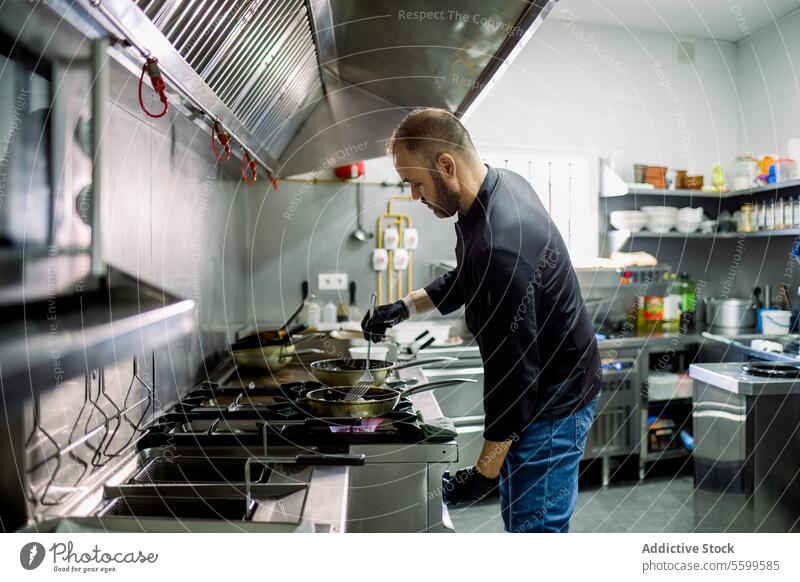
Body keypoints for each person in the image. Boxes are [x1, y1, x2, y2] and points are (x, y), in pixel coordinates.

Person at [361, 108, 601, 533]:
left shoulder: (502, 243)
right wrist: (403, 307)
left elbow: (514, 378)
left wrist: (483, 473)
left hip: (554, 399)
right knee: (521, 519)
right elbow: (469, 274)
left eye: (416, 183)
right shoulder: (499, 185)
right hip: (543, 383)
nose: (415, 195)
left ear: (446, 166)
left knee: (535, 533)